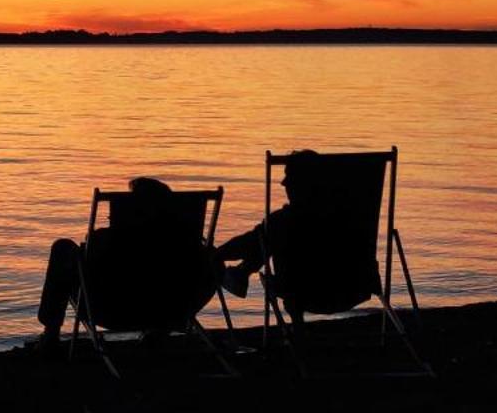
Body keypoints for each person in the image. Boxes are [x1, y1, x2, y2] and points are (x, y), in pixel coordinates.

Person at [32, 176, 220, 348]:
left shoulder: (107, 241)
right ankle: (159, 331)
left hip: (112, 310)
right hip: (172, 308)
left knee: (63, 247)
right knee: (214, 261)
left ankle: (51, 334)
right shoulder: (189, 247)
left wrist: (91, 242)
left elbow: (88, 266)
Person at [215, 148, 311, 300]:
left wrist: (215, 254)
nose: (283, 183)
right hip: (349, 287)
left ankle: (242, 271)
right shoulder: (345, 216)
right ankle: (242, 271)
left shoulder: (283, 220)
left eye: (290, 176)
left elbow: (248, 243)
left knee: (266, 235)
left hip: (304, 291)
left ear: (305, 182)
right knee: (267, 237)